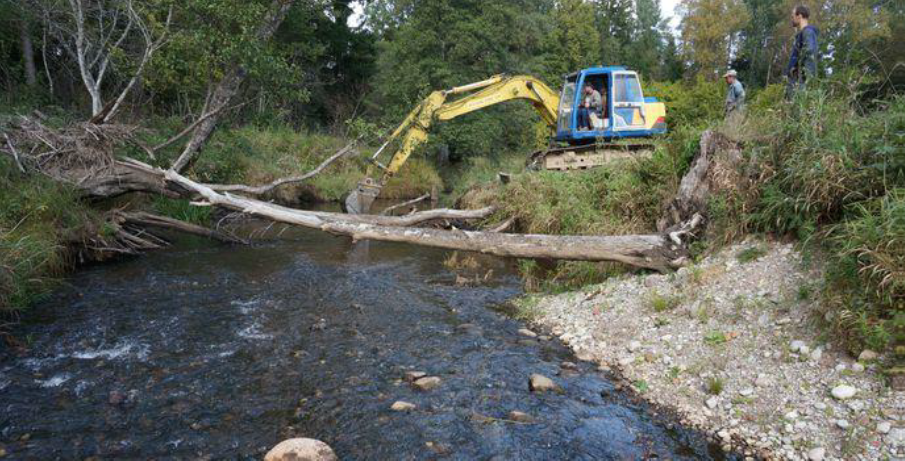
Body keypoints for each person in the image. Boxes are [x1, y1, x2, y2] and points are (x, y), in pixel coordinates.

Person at [786, 5, 819, 98]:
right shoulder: (802, 34)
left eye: (792, 16)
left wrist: (805, 78)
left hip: (800, 81)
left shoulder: (808, 32)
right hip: (796, 80)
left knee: (798, 109)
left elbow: (809, 52)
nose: (792, 19)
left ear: (799, 16)